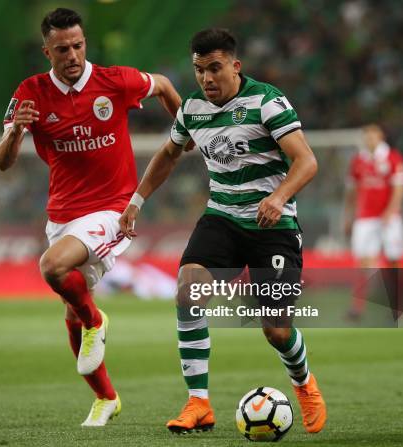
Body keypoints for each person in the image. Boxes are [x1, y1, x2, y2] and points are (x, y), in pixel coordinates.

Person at [119, 28, 327, 434]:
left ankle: (304, 384)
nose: (206, 79)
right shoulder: (192, 108)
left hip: (273, 225)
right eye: (199, 70)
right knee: (187, 287)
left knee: (276, 329)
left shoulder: (267, 101)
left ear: (235, 66)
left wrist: (279, 197)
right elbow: (168, 154)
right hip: (223, 218)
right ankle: (199, 402)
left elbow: (307, 161)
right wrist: (136, 201)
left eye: (214, 68)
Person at [0, 8, 182, 426]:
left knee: (53, 268)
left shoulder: (114, 81)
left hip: (113, 208)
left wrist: (185, 131)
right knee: (69, 311)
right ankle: (106, 398)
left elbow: (165, 86)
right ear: (47, 51)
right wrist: (14, 133)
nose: (72, 55)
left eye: (78, 46)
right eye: (62, 49)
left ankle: (98, 320)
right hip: (62, 215)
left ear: (85, 44)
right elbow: (3, 163)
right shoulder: (30, 92)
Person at [343, 124, 403, 319]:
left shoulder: (393, 158)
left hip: (389, 218)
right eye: (367, 135)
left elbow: (400, 188)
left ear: (381, 136)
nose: (370, 138)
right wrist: (348, 216)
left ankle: (398, 306)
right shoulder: (358, 161)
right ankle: (357, 308)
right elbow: (351, 192)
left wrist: (391, 211)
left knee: (393, 260)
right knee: (364, 263)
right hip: (365, 219)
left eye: (373, 135)